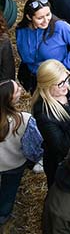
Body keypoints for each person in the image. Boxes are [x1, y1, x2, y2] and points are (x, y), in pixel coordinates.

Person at [16, 0, 70, 92]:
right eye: (40, 18)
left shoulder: (60, 27)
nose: (46, 20)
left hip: (53, 79)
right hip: (31, 75)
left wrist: (63, 66)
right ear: (29, 17)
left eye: (48, 14)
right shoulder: (21, 30)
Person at [0, 79, 36, 224]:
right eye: (17, 90)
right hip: (14, 164)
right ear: (11, 99)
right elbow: (33, 147)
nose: (21, 89)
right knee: (9, 190)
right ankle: (3, 215)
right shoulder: (24, 120)